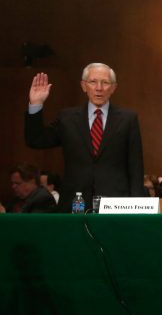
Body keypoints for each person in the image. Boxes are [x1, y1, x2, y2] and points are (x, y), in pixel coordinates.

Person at [24, 64, 145, 211]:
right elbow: (36, 140)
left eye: (105, 82)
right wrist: (36, 104)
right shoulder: (67, 118)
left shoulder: (128, 119)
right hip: (74, 202)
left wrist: (137, 206)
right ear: (83, 86)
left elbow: (136, 165)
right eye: (93, 82)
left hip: (116, 203)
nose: (99, 88)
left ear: (113, 88)